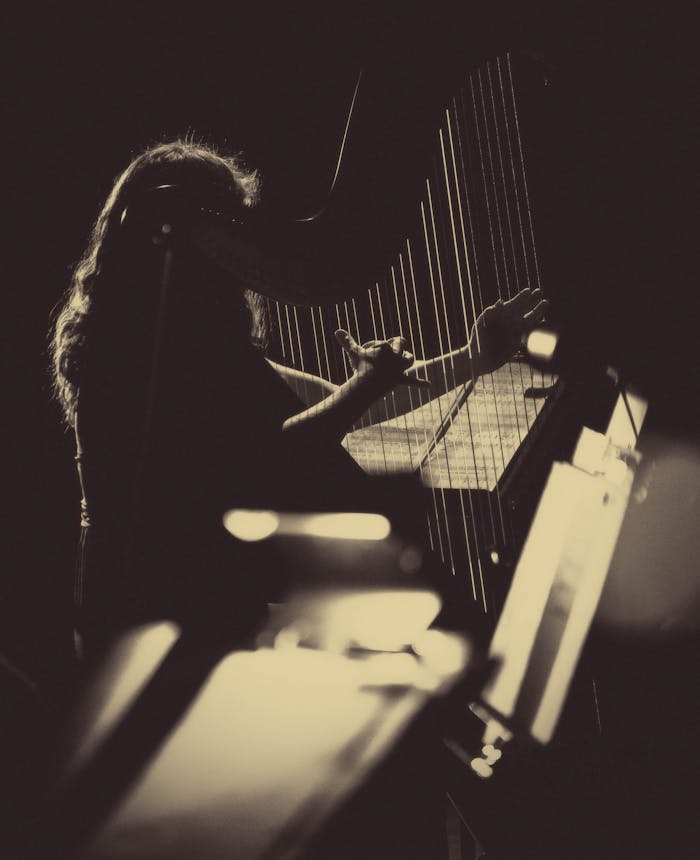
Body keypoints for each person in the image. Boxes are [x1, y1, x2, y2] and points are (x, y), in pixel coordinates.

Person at [51, 140, 546, 655]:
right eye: (226, 231)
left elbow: (346, 406)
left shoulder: (202, 347)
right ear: (179, 235)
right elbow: (261, 468)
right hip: (146, 631)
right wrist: (363, 387)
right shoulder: (127, 356)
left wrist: (471, 357)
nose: (240, 256)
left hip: (205, 613)